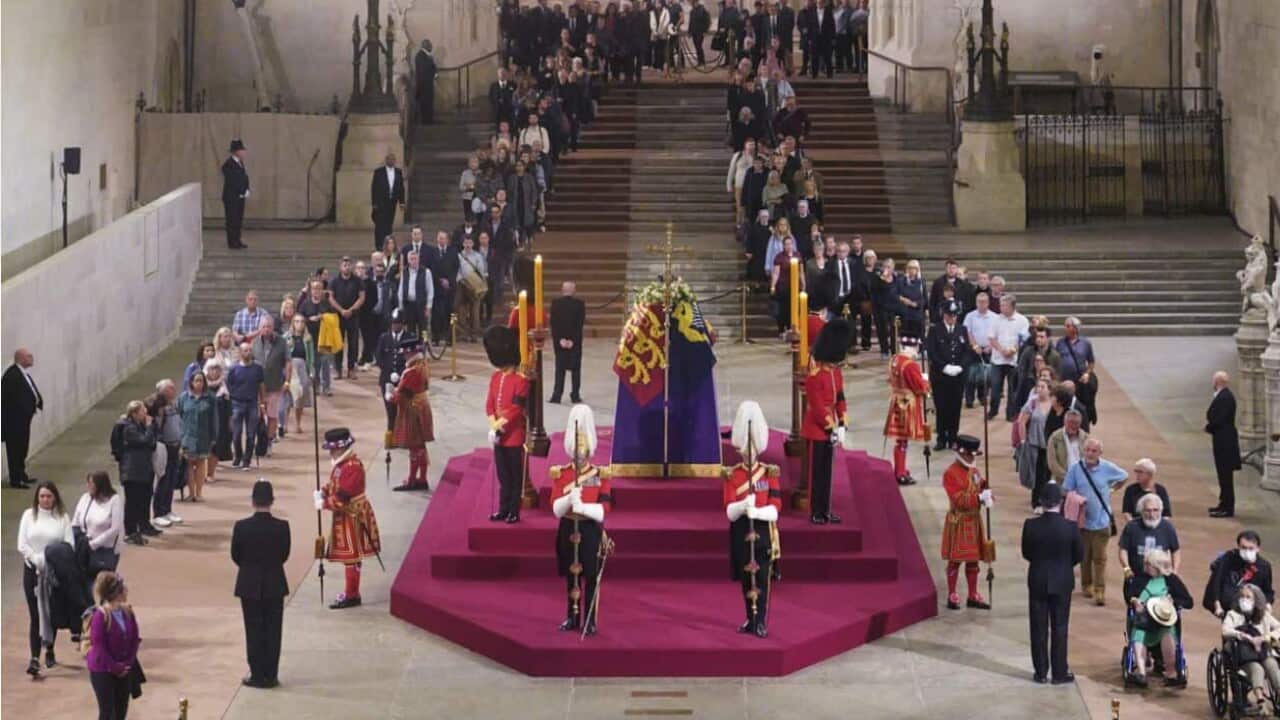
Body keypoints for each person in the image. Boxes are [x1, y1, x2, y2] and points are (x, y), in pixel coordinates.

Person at [550, 404, 613, 635]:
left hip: (588, 530)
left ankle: (590, 619)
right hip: (567, 527)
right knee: (571, 576)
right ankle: (571, 616)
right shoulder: (562, 473)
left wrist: (583, 507)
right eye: (576, 450)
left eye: (582, 450)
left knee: (590, 576)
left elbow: (604, 508)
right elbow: (555, 508)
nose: (579, 455)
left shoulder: (599, 475)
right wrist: (568, 501)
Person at [722, 401, 781, 638]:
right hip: (740, 531)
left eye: (751, 449)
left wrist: (757, 512)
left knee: (762, 579)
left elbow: (776, 508)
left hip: (763, 530)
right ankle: (750, 617)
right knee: (746, 579)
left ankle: (761, 620)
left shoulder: (769, 473)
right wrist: (742, 506)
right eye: (745, 450)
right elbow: (728, 510)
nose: (748, 453)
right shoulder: (732, 474)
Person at [1021, 482, 1082, 684]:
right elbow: (1078, 555)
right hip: (1062, 580)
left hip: (1038, 579)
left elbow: (1027, 553)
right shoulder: (1070, 527)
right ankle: (1059, 672)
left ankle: (1040, 672)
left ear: (1041, 502)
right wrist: (1064, 565)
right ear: (1060, 502)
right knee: (1060, 627)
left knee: (1038, 627)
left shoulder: (1030, 525)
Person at [314, 428, 382, 609]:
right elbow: (334, 484)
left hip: (353, 515)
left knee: (352, 557)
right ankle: (351, 592)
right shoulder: (342, 465)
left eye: (332, 449)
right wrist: (324, 491)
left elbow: (342, 498)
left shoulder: (352, 468)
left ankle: (352, 594)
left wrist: (325, 504)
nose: (330, 452)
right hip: (346, 516)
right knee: (350, 557)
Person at [232, 480, 290, 689]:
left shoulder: (241, 527)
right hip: (275, 582)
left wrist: (250, 568)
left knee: (254, 630)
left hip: (249, 583)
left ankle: (257, 674)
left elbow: (236, 555)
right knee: (274, 631)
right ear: (272, 501)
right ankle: (271, 674)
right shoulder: (282, 527)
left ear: (253, 501)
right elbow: (284, 555)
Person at [18, 480, 74, 676]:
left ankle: (49, 648)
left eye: (49, 496)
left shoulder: (63, 518)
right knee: (35, 614)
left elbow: (68, 545)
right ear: (37, 498)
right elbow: (22, 544)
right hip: (32, 572)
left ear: (55, 498)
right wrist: (36, 560)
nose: (45, 500)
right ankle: (34, 658)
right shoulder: (28, 516)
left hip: (54, 573)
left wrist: (48, 561)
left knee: (50, 613)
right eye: (42, 496)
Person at [1062, 437, 1127, 605]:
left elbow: (1124, 476)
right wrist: (1076, 499)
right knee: (1084, 556)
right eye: (1088, 450)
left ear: (1100, 453)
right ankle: (1086, 584)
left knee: (1100, 558)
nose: (1090, 454)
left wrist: (1112, 489)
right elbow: (1067, 489)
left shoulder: (1107, 468)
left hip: (1102, 521)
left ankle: (1100, 590)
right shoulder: (1075, 468)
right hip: (1083, 521)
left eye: (1094, 451)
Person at [803, 319, 851, 524]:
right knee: (817, 473)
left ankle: (826, 509)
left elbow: (840, 397)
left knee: (828, 473)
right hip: (817, 428)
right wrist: (830, 426)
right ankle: (816, 510)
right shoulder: (814, 376)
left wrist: (843, 421)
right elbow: (816, 406)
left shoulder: (835, 372)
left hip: (829, 427)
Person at [1125, 549, 1191, 688]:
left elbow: (1188, 601)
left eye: (1149, 564)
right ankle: (1141, 673)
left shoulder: (1171, 580)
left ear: (1157, 566)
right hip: (1144, 618)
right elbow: (1129, 594)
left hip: (1164, 620)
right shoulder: (1140, 578)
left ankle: (1171, 673)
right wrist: (1134, 601)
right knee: (1139, 633)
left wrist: (1173, 601)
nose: (1145, 566)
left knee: (1167, 633)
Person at [941, 434, 993, 610]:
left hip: (974, 521)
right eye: (969, 455)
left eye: (973, 455)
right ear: (961, 453)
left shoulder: (974, 471)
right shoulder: (950, 473)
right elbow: (958, 499)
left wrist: (987, 492)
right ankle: (952, 593)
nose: (972, 458)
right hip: (960, 522)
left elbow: (981, 485)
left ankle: (972, 594)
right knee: (955, 560)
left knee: (974, 561)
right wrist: (979, 498)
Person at [485, 326, 529, 523]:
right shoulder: (495, 378)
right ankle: (503, 509)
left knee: (514, 477)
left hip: (513, 436)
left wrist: (499, 426)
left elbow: (516, 409)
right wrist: (492, 424)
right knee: (503, 476)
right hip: (499, 436)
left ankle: (514, 510)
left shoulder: (521, 381)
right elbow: (489, 404)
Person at [85, 571, 141, 718]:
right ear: (117, 592)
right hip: (103, 670)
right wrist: (115, 667)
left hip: (124, 669)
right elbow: (99, 648)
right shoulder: (100, 616)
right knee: (107, 713)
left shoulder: (128, 612)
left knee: (121, 713)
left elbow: (135, 639)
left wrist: (127, 663)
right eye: (124, 588)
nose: (126, 590)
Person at [1221, 583, 1280, 713]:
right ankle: (1260, 702)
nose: (1244, 600)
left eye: (1248, 597)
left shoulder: (1264, 615)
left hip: (1263, 653)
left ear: (1256, 600)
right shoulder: (1233, 614)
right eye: (1242, 596)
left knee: (1272, 666)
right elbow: (1225, 631)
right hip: (1244, 657)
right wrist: (1242, 635)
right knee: (1257, 669)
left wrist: (1266, 637)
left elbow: (1278, 628)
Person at [883, 334, 930, 486]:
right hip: (907, 404)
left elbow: (889, 379)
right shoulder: (910, 365)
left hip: (897, 400)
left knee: (900, 440)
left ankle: (900, 469)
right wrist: (925, 381)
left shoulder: (894, 359)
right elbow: (920, 388)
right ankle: (900, 473)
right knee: (903, 441)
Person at [390, 339, 434, 492]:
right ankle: (421, 478)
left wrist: (391, 395)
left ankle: (413, 480)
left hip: (413, 410)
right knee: (420, 446)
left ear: (411, 352)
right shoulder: (422, 365)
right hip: (421, 406)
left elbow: (402, 396)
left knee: (415, 447)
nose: (404, 356)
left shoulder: (412, 371)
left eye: (406, 353)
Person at [1119, 493, 1182, 593]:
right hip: (1136, 577)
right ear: (1141, 511)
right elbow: (1123, 550)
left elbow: (1176, 550)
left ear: (1161, 510)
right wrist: (1126, 568)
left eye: (1155, 510)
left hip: (1160, 580)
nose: (1152, 515)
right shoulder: (1132, 527)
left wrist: (1174, 571)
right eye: (1148, 510)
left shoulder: (1167, 527)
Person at [928, 301, 970, 451]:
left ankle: (953, 437)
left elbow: (966, 351)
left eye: (954, 316)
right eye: (949, 315)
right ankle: (941, 437)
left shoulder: (962, 329)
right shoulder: (935, 330)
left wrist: (960, 366)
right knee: (941, 407)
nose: (952, 318)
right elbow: (932, 352)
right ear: (944, 315)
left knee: (955, 407)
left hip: (957, 377)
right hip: (940, 376)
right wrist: (944, 366)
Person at [1206, 530, 1275, 617]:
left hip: (1253, 610)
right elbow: (1217, 581)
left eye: (1251, 548)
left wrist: (1268, 604)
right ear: (1238, 547)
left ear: (1258, 549)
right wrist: (1217, 605)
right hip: (1230, 608)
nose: (1247, 551)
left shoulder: (1264, 566)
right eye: (1243, 548)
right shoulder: (1229, 559)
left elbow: (1267, 590)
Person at [73, 471, 124, 585]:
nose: (89, 486)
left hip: (105, 550)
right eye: (88, 482)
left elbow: (115, 528)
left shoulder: (114, 500)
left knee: (104, 585)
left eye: (92, 483)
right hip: (85, 549)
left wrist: (94, 544)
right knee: (85, 583)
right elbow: (75, 522)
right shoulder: (85, 498)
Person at [3, 348, 43, 489]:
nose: (32, 358)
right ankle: (16, 479)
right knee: (15, 450)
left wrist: (37, 402)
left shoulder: (21, 373)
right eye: (28, 356)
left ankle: (21, 475)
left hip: (23, 421)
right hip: (14, 423)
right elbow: (10, 400)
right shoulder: (12, 375)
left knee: (22, 448)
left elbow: (30, 390)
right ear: (20, 358)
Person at [119, 401, 157, 545]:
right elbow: (144, 441)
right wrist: (149, 427)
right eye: (142, 411)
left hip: (142, 469)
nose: (145, 413)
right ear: (134, 413)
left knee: (143, 500)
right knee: (132, 503)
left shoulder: (139, 426)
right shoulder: (129, 428)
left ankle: (141, 528)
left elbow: (151, 443)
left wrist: (149, 430)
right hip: (132, 471)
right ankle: (130, 532)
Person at [176, 371, 216, 505]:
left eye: (201, 380)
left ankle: (199, 493)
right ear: (191, 382)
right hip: (187, 436)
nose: (199, 383)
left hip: (204, 436)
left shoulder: (210, 398)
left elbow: (214, 419)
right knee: (189, 464)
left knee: (200, 463)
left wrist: (214, 436)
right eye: (196, 380)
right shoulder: (184, 398)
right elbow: (179, 416)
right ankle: (191, 493)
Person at [1207, 370, 1242, 518]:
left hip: (1225, 443)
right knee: (1223, 476)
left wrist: (1209, 427)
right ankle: (1223, 503)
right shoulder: (1223, 396)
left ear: (1217, 382)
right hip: (1222, 440)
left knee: (1226, 477)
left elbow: (1220, 419)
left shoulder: (1225, 398)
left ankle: (1227, 508)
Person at [988, 294, 1029, 421]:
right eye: (1000, 305)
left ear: (1012, 306)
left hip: (1014, 360)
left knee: (1013, 390)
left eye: (1003, 305)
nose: (1001, 307)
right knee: (995, 388)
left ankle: (1010, 413)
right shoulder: (996, 319)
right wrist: (1001, 350)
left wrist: (1013, 350)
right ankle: (993, 410)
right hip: (997, 360)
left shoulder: (1022, 320)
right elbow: (991, 337)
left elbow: (1023, 339)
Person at [1015, 378, 1053, 508]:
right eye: (1038, 387)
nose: (1040, 389)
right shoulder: (1031, 403)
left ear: (1049, 390)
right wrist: (1023, 440)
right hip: (1034, 443)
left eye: (1043, 387)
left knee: (1048, 473)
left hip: (1048, 444)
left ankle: (1047, 500)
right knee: (1037, 473)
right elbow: (1022, 422)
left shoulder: (1053, 404)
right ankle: (1036, 501)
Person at [1055, 317, 1097, 425]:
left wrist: (1087, 373)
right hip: (1064, 381)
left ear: (1075, 328)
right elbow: (1055, 360)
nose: (1065, 328)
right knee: (1064, 405)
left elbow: (1091, 362)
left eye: (1068, 326)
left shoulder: (1085, 343)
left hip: (1080, 381)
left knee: (1080, 406)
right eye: (1065, 326)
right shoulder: (1060, 342)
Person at [329, 257, 366, 377]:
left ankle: (351, 369)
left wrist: (351, 310)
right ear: (340, 266)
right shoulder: (334, 281)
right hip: (338, 316)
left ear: (351, 266)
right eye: (344, 265)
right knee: (338, 344)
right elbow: (330, 297)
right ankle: (338, 369)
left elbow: (361, 297)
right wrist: (341, 310)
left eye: (349, 265)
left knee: (353, 344)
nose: (346, 267)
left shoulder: (357, 281)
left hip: (353, 316)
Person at [550, 281, 586, 404]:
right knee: (576, 370)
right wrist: (572, 341)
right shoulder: (580, 304)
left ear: (562, 290)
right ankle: (575, 395)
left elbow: (553, 324)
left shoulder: (555, 304)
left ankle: (557, 395)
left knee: (560, 369)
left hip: (560, 342)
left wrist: (560, 339)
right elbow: (579, 324)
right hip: (574, 343)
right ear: (574, 290)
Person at [961, 292, 995, 408]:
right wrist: (975, 346)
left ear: (988, 303)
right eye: (979, 302)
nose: (981, 304)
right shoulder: (970, 316)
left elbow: (996, 334)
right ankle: (969, 399)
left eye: (984, 302)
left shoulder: (994, 317)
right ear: (976, 303)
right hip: (973, 349)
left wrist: (990, 346)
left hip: (988, 349)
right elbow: (968, 332)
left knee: (985, 376)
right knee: (970, 375)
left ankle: (983, 397)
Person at [283, 315, 314, 435]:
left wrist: (311, 371)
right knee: (287, 398)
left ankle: (298, 423)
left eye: (301, 321)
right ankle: (284, 424)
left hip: (302, 368)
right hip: (290, 367)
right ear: (292, 323)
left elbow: (310, 357)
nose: (299, 324)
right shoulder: (286, 337)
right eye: (296, 321)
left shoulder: (308, 338)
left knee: (299, 398)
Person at [370, 153, 405, 250]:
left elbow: (401, 188)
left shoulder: (398, 172)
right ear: (386, 160)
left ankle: (387, 245)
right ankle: (379, 245)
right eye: (389, 159)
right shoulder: (378, 172)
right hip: (380, 203)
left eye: (393, 159)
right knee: (380, 225)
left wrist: (402, 202)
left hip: (391, 203)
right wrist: (374, 203)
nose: (391, 161)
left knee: (389, 225)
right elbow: (374, 188)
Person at [1120, 458, 1171, 522]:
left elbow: (1166, 514)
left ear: (1150, 474)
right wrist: (1133, 526)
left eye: (1140, 472)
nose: (1137, 475)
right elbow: (1126, 512)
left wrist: (1159, 527)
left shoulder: (1160, 490)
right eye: (1136, 471)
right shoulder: (1130, 490)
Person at [398, 250, 434, 339]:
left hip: (421, 304)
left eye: (415, 259)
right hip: (409, 304)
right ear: (408, 260)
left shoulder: (426, 271)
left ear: (418, 259)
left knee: (423, 328)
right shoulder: (404, 272)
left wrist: (429, 306)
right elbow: (401, 289)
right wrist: (400, 306)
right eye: (411, 259)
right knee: (410, 329)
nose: (414, 261)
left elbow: (430, 290)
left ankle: (424, 345)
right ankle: (412, 347)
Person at [1046, 409, 1088, 484]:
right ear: (1064, 422)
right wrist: (1069, 477)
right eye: (1071, 422)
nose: (1074, 425)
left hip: (1082, 481)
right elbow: (1052, 463)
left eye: (1077, 423)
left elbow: (1090, 459)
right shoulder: (1055, 438)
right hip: (1061, 482)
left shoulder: (1085, 438)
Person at [222, 138, 250, 249]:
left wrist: (246, 189)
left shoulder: (240, 163)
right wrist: (241, 190)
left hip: (240, 197)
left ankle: (237, 240)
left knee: (238, 219)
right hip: (231, 197)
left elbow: (244, 177)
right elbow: (233, 181)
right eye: (241, 150)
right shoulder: (228, 164)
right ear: (236, 152)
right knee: (231, 220)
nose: (243, 152)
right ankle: (232, 242)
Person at [414, 40, 438, 124]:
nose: (431, 47)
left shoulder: (426, 56)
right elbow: (425, 70)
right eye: (430, 45)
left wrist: (435, 73)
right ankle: (426, 121)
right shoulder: (420, 56)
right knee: (425, 103)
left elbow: (433, 67)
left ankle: (429, 120)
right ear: (426, 46)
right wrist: (433, 73)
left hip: (427, 84)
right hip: (424, 85)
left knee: (429, 102)